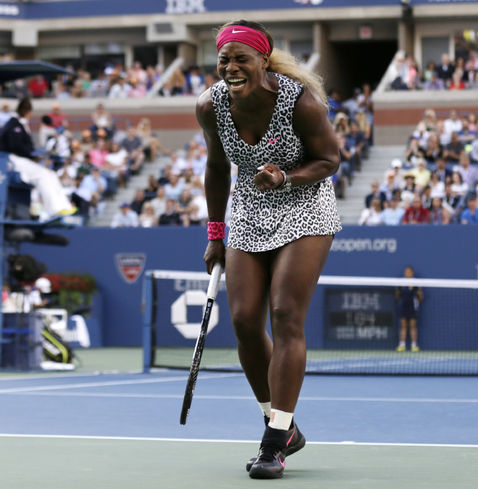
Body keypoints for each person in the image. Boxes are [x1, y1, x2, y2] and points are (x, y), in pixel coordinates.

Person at [198, 20, 340, 479]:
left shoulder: (301, 102)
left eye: (241, 58)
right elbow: (216, 168)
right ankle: (282, 423)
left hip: (306, 205)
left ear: (264, 58)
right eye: (224, 59)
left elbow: (330, 160)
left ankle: (274, 441)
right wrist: (215, 234)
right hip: (249, 207)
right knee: (243, 321)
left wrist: (286, 177)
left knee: (285, 314)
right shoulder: (210, 105)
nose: (231, 67)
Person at [0, 98, 76, 218]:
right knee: (42, 175)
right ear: (27, 112)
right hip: (11, 160)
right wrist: (33, 155)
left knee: (51, 174)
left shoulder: (20, 124)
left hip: (20, 160)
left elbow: (26, 148)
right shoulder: (13, 124)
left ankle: (64, 207)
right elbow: (16, 146)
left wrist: (37, 155)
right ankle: (54, 210)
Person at [395, 265, 423, 352]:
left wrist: (417, 303)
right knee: (403, 326)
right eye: (406, 271)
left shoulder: (415, 282)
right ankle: (402, 345)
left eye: (409, 271)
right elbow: (398, 294)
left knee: (413, 326)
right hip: (403, 306)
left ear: (412, 272)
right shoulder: (401, 282)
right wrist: (401, 302)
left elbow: (420, 295)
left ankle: (414, 345)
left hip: (412, 307)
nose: (407, 273)